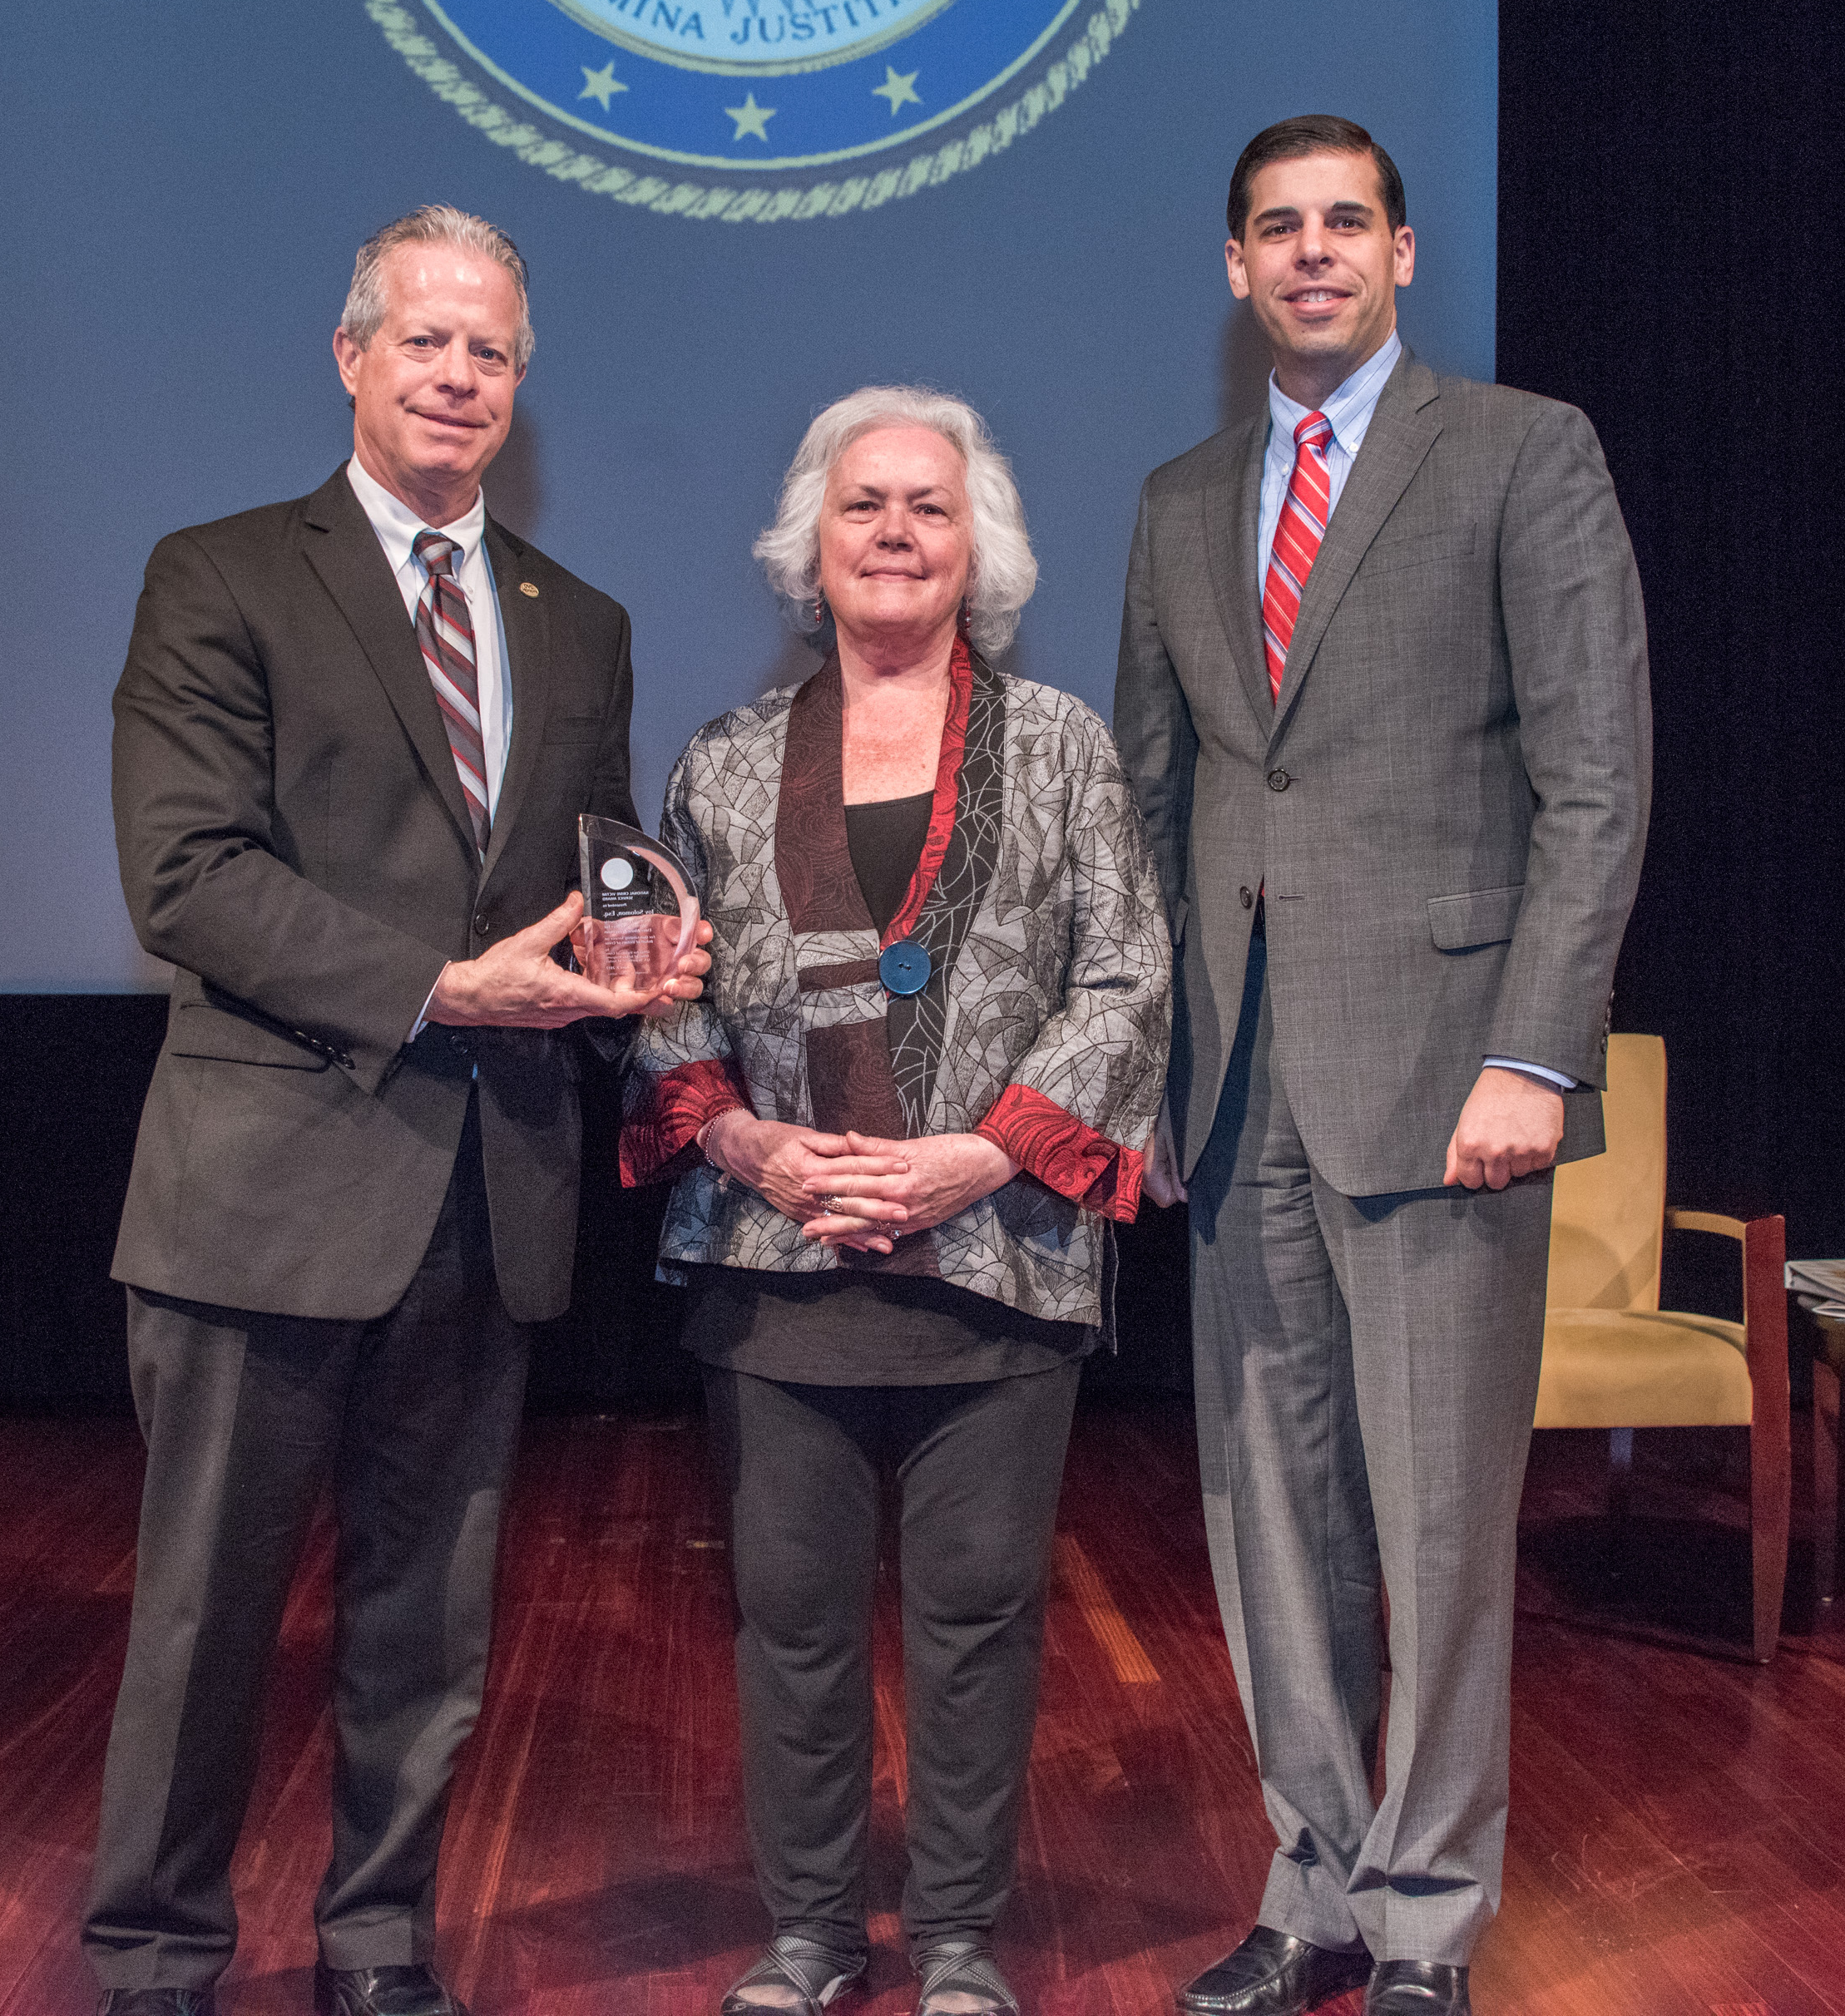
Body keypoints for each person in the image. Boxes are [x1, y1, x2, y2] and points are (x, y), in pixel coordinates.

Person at [86, 205, 708, 2016]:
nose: (456, 376)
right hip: (264, 1190)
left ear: (521, 387)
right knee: (204, 1618)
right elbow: (183, 878)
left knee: (427, 1624)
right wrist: (435, 989)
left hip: (490, 1189)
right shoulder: (218, 575)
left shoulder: (572, 622)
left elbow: (580, 887)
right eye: (423, 340)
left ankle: (375, 1944)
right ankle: (153, 1958)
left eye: (490, 352)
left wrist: (629, 961)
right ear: (349, 355)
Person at [1113, 116, 1651, 2016]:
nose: (1313, 253)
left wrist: (1534, 1054)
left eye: (1347, 223)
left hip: (1448, 1090)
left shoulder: (1520, 454)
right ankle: (1312, 1885)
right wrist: (1145, 1084)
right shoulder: (1180, 502)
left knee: (1436, 1531)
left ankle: (1424, 1917)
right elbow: (1148, 815)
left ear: (1402, 255)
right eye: (1277, 227)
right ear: (1233, 267)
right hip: (1236, 1088)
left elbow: (1594, 787)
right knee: (1267, 1522)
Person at [622, 386, 1171, 2016]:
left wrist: (980, 1152)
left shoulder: (1062, 745)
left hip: (997, 1263)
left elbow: (1127, 974)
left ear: (976, 547)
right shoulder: (721, 766)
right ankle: (803, 1937)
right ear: (809, 545)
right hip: (773, 1263)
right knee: (789, 1625)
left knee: (978, 1622)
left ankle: (951, 1945)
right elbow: (660, 991)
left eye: (928, 506)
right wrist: (747, 1149)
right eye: (862, 504)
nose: (893, 532)